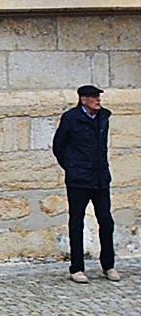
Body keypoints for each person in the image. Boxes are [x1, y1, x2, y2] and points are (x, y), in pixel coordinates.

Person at [53, 84, 120, 283]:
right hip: (79, 180)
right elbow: (59, 147)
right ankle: (77, 268)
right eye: (93, 97)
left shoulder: (103, 117)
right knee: (76, 223)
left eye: (98, 97)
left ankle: (108, 265)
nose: (98, 100)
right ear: (83, 100)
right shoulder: (71, 118)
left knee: (106, 222)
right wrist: (72, 168)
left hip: (100, 179)